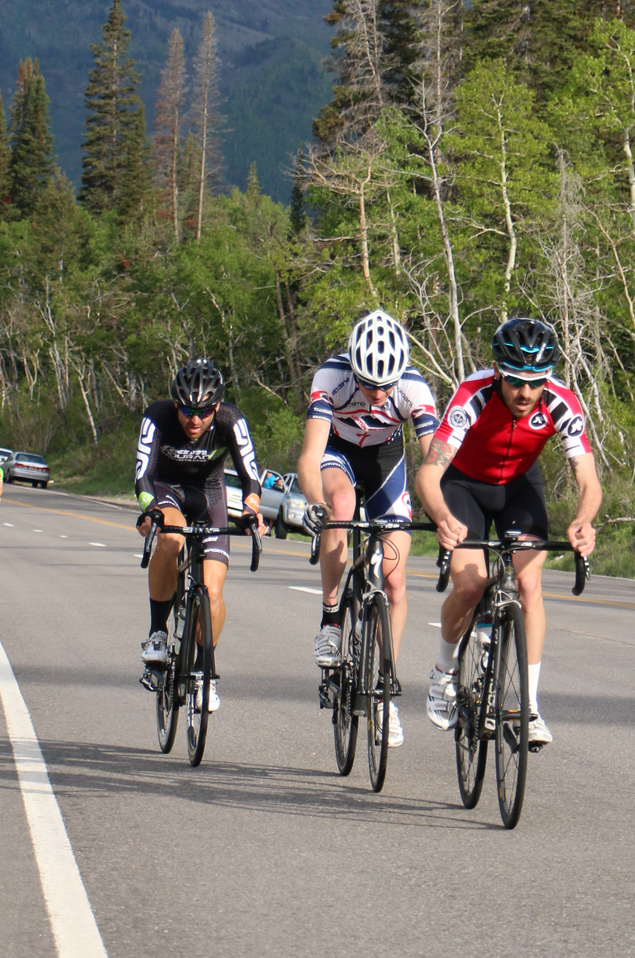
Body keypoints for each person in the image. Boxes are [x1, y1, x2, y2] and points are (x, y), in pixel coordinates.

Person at [415, 316, 601, 748]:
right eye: (516, 381)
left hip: (519, 486)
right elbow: (429, 476)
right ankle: (443, 672)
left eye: (536, 382)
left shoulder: (561, 403)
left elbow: (589, 482)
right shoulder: (472, 395)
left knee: (529, 584)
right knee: (470, 583)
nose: (525, 393)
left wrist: (583, 520)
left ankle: (530, 706)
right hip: (463, 486)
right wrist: (443, 517)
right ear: (498, 371)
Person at [295, 309, 440, 749]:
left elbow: (435, 460)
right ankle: (331, 618)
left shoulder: (414, 387)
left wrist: (445, 509)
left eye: (386, 385)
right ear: (353, 368)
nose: (378, 394)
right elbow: (309, 455)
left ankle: (383, 694)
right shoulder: (331, 377)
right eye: (369, 383)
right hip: (336, 455)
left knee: (395, 582)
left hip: (385, 464)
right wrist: (315, 504)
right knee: (340, 504)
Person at [135, 358, 264, 711]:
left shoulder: (231, 421)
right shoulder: (157, 416)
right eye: (188, 410)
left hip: (208, 493)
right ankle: (158, 633)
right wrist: (151, 509)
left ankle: (205, 670)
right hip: (166, 489)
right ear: (176, 403)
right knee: (173, 537)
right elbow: (143, 475)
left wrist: (252, 508)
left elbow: (250, 476)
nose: (195, 420)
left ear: (217, 407)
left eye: (204, 412)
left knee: (212, 590)